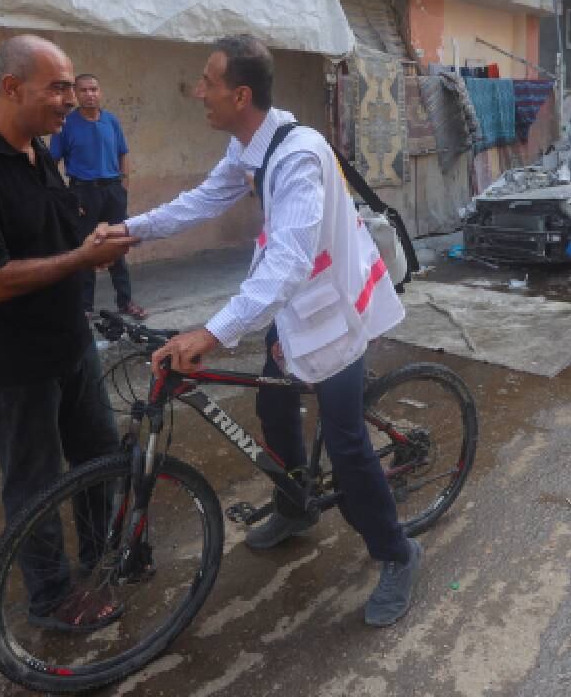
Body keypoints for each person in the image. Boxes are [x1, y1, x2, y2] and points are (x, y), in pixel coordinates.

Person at [109, 35, 422, 627]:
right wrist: (133, 230)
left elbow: (288, 263)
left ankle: (398, 553)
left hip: (335, 316)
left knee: (348, 445)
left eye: (208, 82)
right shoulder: (251, 144)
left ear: (240, 93)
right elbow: (204, 200)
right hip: (294, 310)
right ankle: (295, 508)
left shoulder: (298, 155)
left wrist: (213, 332)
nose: (199, 92)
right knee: (275, 413)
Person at [0, 35, 139, 631]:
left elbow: (60, 235)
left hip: (71, 345)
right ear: (11, 87)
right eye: (58, 87)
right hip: (14, 362)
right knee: (36, 485)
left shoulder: (37, 153)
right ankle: (53, 600)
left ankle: (101, 558)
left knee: (99, 457)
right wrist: (81, 260)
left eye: (71, 86)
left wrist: (96, 245)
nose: (70, 99)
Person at [50, 74, 148, 319]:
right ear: (76, 94)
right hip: (83, 192)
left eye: (93, 89)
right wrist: (67, 198)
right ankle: (84, 307)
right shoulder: (66, 124)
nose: (89, 94)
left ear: (100, 92)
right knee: (86, 248)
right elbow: (52, 163)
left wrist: (124, 184)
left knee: (117, 246)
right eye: (83, 90)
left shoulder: (111, 121)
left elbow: (123, 153)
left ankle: (125, 302)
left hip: (113, 190)